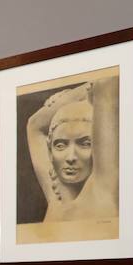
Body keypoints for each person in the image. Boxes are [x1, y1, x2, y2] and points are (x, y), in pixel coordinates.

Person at [24, 81, 118, 224]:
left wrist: (84, 92)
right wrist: (77, 94)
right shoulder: (55, 201)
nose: (71, 157)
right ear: (50, 153)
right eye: (60, 145)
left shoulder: (102, 191)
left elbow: (106, 83)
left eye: (85, 144)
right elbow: (34, 124)